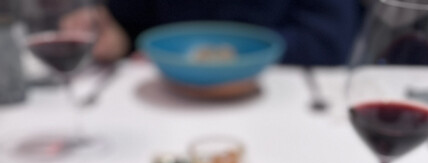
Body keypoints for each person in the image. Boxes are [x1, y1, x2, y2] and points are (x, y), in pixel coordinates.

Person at [63, 0, 363, 66]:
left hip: (281, 100)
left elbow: (327, 44)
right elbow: (129, 22)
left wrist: (223, 54)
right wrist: (112, 32)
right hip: (167, 98)